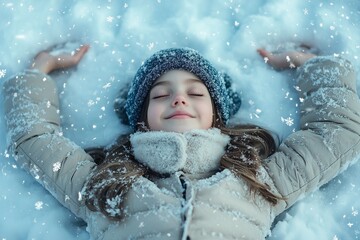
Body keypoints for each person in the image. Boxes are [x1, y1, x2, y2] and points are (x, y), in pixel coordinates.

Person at [3, 43, 360, 240]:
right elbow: (33, 139)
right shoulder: (105, 189)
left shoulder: (257, 183)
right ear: (142, 119)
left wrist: (313, 65)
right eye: (161, 95)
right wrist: (40, 69)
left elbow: (337, 135)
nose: (178, 99)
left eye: (195, 93)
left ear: (215, 116)